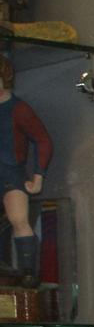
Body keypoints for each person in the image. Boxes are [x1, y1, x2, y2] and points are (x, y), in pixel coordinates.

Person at [0, 56, 52, 276]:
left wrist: (38, 176)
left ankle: (28, 271)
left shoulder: (18, 109)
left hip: (11, 172)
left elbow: (43, 140)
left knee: (19, 219)